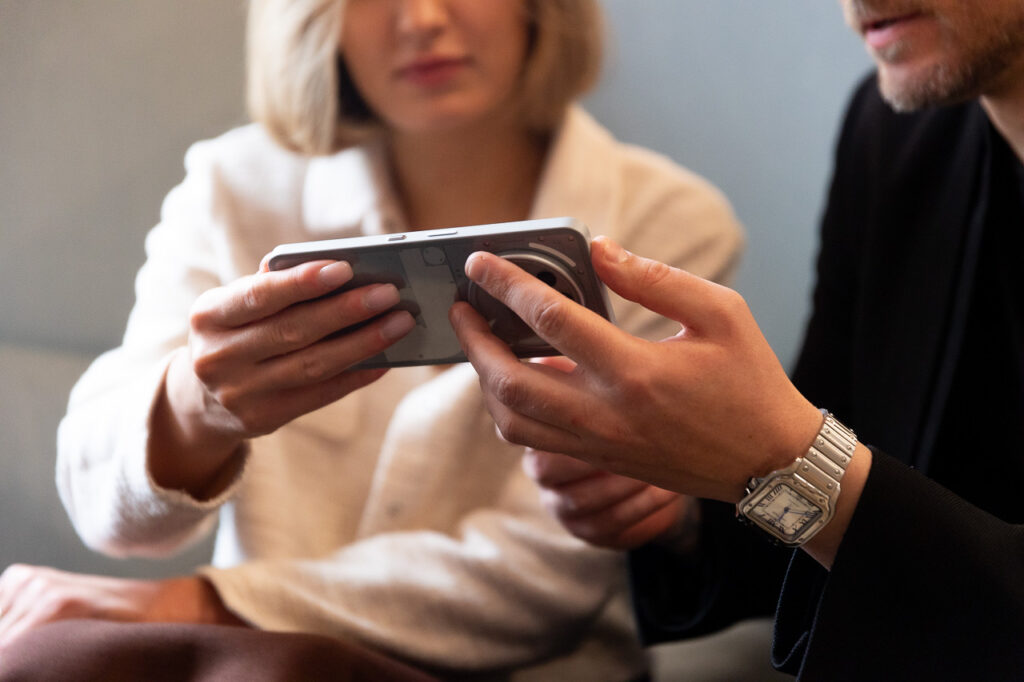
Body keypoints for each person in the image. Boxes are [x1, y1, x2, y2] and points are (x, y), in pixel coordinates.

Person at [0, 0, 744, 679]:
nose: (421, 20)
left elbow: (551, 573)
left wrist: (201, 606)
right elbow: (100, 508)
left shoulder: (664, 222)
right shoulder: (234, 189)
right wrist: (196, 404)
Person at [449, 1, 1024, 679]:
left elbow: (839, 485)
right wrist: (682, 494)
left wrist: (791, 462)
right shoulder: (897, 135)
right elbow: (845, 525)